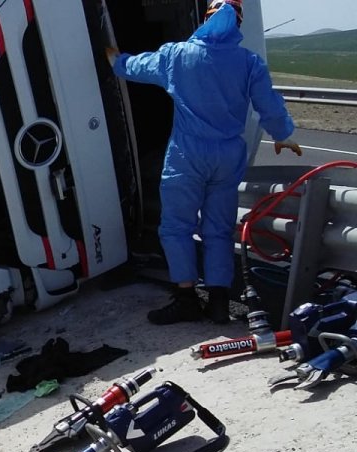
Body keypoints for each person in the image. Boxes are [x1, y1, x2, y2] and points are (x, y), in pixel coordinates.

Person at [106, 0, 302, 325]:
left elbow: (134, 67)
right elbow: (268, 103)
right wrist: (283, 135)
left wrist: (115, 59)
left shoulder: (177, 55)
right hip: (227, 157)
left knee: (176, 228)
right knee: (219, 231)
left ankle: (185, 298)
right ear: (238, 24)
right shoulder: (249, 62)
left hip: (187, 155)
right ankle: (219, 303)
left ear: (206, 17)